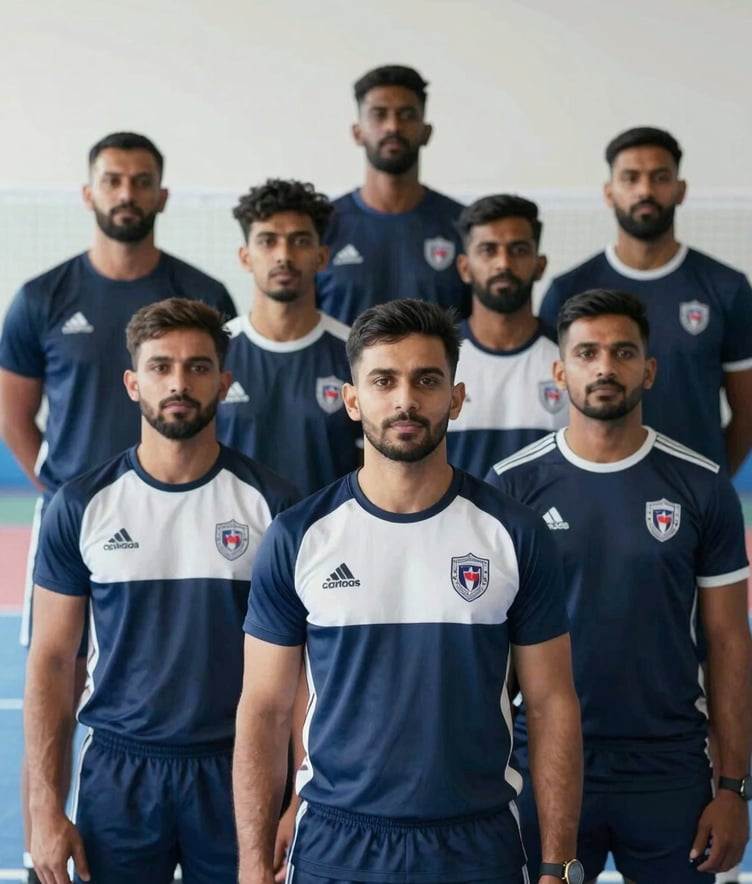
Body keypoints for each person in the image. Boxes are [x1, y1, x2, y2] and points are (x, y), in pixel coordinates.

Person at [233, 299, 584, 884]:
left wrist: (559, 860)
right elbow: (263, 710)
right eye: (383, 381)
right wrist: (251, 862)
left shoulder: (514, 534)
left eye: (426, 380)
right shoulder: (298, 536)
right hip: (336, 843)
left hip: (477, 845)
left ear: (456, 397)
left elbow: (551, 705)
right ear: (352, 400)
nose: (405, 400)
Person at [0, 131, 236, 882]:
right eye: (113, 180)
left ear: (162, 194)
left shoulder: (204, 293)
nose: (127, 193)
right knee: (62, 672)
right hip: (86, 524)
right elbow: (13, 410)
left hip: (196, 511)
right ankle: (49, 834)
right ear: (89, 192)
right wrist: (58, 490)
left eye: (141, 180)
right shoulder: (41, 297)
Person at [487, 289, 752, 884]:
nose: (605, 366)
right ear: (560, 372)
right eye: (587, 353)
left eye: (623, 352)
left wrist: (734, 788)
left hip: (668, 766)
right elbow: (491, 648)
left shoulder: (702, 486)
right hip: (545, 759)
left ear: (649, 370)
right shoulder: (512, 487)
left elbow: (729, 640)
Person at [24, 298, 297, 884]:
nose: (179, 383)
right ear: (133, 383)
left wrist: (299, 797)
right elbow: (52, 662)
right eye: (160, 367)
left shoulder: (274, 506)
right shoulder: (81, 507)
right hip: (119, 773)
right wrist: (44, 805)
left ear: (224, 383)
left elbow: (303, 673)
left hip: (239, 769)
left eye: (198, 367)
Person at [538, 127, 752, 475]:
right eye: (630, 178)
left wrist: (708, 483)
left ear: (680, 189)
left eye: (659, 177)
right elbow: (548, 404)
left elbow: (751, 414)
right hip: (593, 487)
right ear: (609, 192)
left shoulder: (727, 288)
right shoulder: (567, 289)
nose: (645, 190)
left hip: (694, 493)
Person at [217, 179, 360, 497]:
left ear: (322, 257)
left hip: (327, 528)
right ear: (245, 257)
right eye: (267, 241)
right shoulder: (214, 351)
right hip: (230, 529)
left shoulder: (357, 353)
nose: (283, 255)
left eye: (300, 241)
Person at [316, 65, 470, 325]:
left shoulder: (462, 225)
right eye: (379, 115)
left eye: (407, 115)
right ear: (357, 132)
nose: (393, 126)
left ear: (426, 132)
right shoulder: (322, 226)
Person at [447, 194, 567, 477]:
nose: (503, 263)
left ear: (540, 265)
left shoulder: (572, 360)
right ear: (464, 267)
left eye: (519, 250)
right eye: (488, 250)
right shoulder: (437, 358)